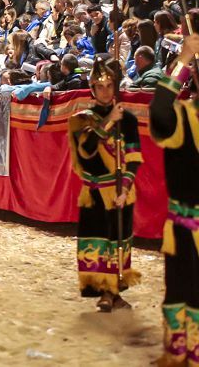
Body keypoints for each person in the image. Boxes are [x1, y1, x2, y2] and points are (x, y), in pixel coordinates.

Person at [67, 58, 142, 312]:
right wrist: (109, 120)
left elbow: (133, 156)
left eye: (110, 85)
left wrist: (125, 189)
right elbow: (87, 149)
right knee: (98, 241)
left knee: (119, 240)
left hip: (119, 190)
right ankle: (102, 291)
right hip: (94, 191)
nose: (106, 90)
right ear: (92, 89)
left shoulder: (128, 120)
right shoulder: (81, 120)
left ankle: (115, 292)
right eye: (100, 86)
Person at [149, 34, 199, 367]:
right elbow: (160, 113)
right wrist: (183, 60)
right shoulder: (184, 117)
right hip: (183, 225)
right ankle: (179, 351)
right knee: (179, 288)